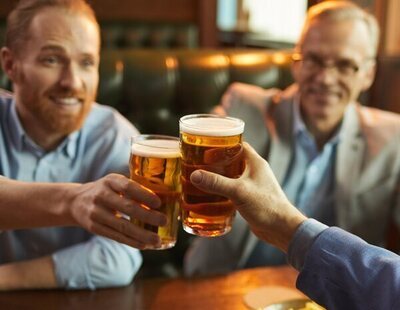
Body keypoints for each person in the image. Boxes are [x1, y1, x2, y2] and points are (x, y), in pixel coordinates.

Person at [184, 1, 400, 275]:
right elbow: (184, 162)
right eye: (314, 60)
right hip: (226, 284)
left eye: (345, 65)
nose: (325, 78)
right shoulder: (243, 109)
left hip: (324, 296)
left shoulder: (393, 138)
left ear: (368, 74)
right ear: (296, 63)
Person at [0, 0, 165, 290]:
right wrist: (73, 201)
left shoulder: (116, 136)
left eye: (86, 63)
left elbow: (118, 258)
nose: (72, 82)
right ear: (11, 65)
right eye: (51, 60)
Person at [189, 143, 400, 310]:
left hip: (314, 290)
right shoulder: (246, 104)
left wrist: (284, 224)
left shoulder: (389, 135)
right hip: (220, 286)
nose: (325, 84)